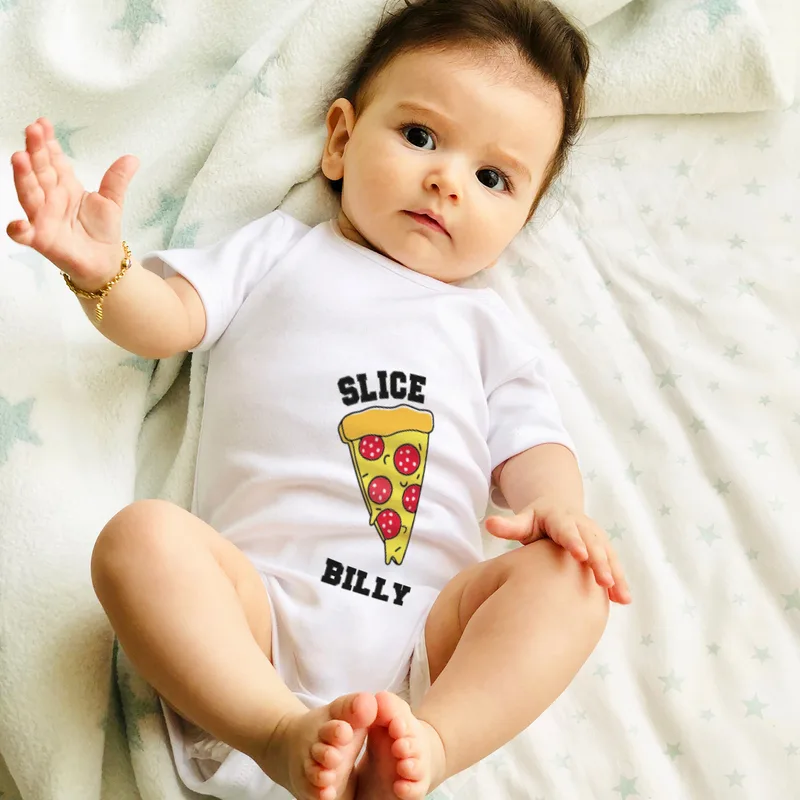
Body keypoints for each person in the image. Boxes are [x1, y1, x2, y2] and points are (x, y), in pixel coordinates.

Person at [6, 2, 631, 799]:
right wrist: (103, 273)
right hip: (251, 623)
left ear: (522, 217)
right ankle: (276, 732)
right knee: (139, 542)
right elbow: (167, 322)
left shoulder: (487, 331)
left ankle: (431, 746)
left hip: (424, 647)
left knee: (574, 578)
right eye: (419, 136)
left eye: (493, 178)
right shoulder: (277, 252)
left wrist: (559, 509)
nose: (446, 181)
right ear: (340, 139)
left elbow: (534, 445)